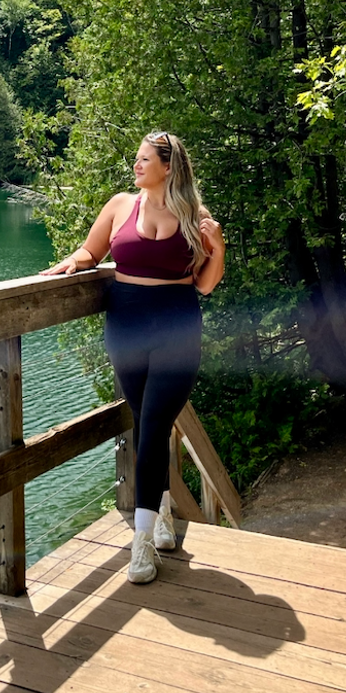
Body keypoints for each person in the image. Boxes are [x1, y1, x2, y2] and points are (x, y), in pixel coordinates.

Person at [42, 131, 224, 583]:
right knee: (145, 423)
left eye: (145, 160)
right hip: (125, 325)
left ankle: (140, 546)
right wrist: (75, 261)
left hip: (177, 327)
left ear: (168, 167)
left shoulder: (195, 217)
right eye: (137, 159)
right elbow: (93, 249)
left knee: (155, 424)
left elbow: (204, 284)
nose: (137, 166)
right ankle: (161, 515)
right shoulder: (120, 205)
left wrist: (217, 247)